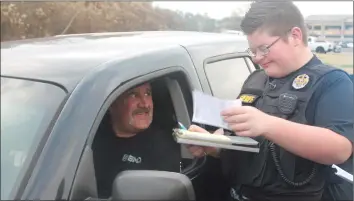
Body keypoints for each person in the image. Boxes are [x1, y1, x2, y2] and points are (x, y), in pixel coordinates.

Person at [187, 1, 353, 201]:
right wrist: (213, 144)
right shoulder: (256, 79)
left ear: (295, 36)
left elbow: (340, 149)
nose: (257, 58)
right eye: (253, 51)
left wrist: (267, 124)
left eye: (263, 48)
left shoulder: (332, 82)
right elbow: (240, 134)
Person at [92, 82, 181, 198]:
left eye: (148, 94)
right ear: (112, 104)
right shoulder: (90, 137)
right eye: (133, 95)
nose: (145, 104)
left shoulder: (162, 147)